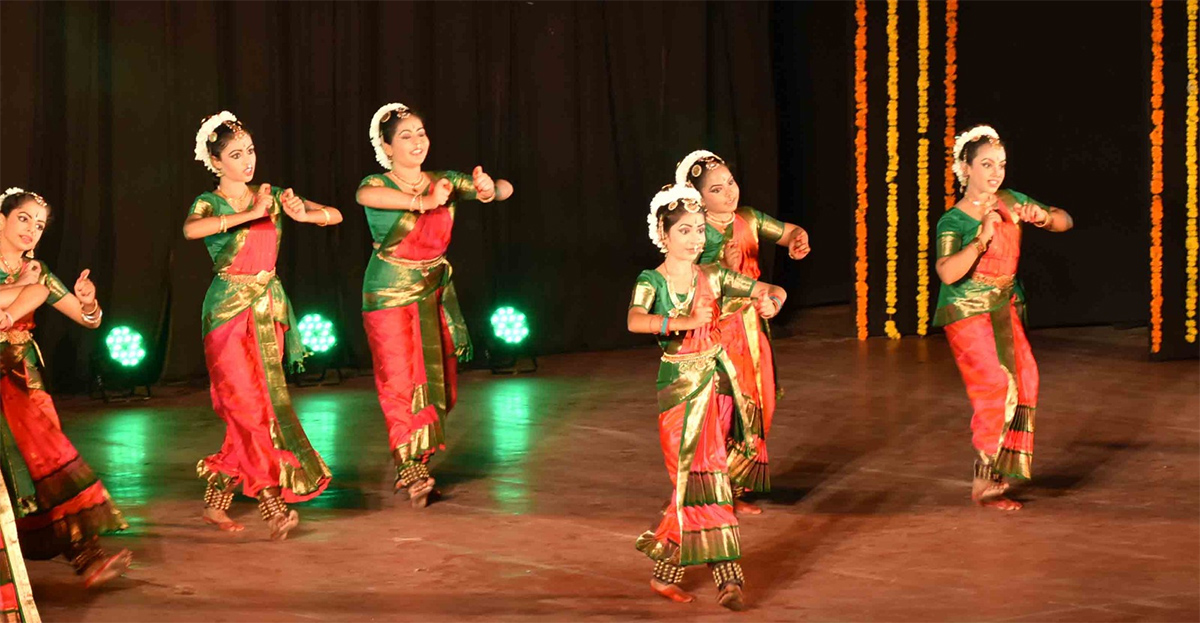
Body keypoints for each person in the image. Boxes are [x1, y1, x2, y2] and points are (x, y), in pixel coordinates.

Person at [182, 112, 341, 539]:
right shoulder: (210, 202)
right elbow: (191, 230)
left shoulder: (270, 196)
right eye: (235, 155)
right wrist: (247, 214)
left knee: (255, 408)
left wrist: (305, 215)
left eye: (250, 151)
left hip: (267, 311)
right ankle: (271, 501)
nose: (247, 161)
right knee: (246, 406)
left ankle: (217, 503)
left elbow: (336, 215)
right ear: (216, 162)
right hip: (226, 313)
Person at [628, 183, 786, 610]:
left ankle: (702, 575)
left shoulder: (713, 276)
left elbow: (762, 289)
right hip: (678, 391)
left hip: (716, 387)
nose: (697, 238)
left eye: (700, 229)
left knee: (707, 480)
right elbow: (634, 320)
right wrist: (679, 321)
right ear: (664, 234)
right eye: (685, 230)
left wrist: (772, 300)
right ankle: (710, 576)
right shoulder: (652, 280)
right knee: (698, 481)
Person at [355, 102, 513, 507]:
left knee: (440, 383)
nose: (416, 141)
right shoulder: (378, 183)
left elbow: (503, 190)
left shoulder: (443, 179)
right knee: (399, 381)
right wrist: (423, 203)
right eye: (405, 136)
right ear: (387, 148)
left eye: (421, 132)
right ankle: (409, 465)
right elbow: (365, 195)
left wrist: (487, 187)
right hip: (388, 292)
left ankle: (418, 458)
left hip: (432, 293)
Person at [934, 125, 1073, 511]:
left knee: (1025, 378)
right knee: (996, 383)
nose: (996, 173)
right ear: (966, 167)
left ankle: (1001, 470)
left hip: (1002, 305)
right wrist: (981, 236)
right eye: (986, 164)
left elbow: (1065, 220)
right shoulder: (954, 221)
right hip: (965, 309)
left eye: (1001, 164)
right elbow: (947, 273)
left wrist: (1041, 218)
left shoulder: (1011, 201)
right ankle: (985, 480)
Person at [0, 187, 130, 587]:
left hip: (26, 378)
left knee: (49, 463)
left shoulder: (38, 272)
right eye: (23, 218)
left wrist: (89, 303)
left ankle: (86, 557)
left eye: (39, 225)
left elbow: (88, 319)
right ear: (1, 219)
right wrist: (19, 297)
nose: (32, 230)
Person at [675, 150, 810, 514]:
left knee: (760, 402)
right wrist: (723, 267)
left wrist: (798, 239)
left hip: (752, 326)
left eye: (730, 183)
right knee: (720, 410)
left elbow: (788, 232)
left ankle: (733, 488)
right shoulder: (694, 232)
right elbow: (689, 285)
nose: (729, 193)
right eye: (717, 189)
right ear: (700, 198)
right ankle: (707, 493)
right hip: (714, 332)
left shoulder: (748, 220)